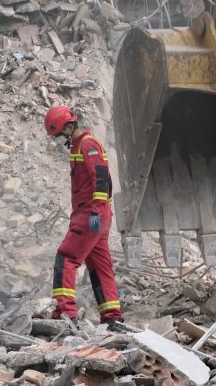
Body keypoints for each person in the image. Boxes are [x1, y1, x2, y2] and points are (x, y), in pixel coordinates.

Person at [44, 106, 123, 327]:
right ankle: (112, 317)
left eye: (59, 134)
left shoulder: (87, 144)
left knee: (66, 257)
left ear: (69, 127)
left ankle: (65, 312)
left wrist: (95, 212)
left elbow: (100, 177)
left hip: (91, 214)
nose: (59, 139)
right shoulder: (80, 146)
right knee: (99, 265)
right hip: (95, 214)